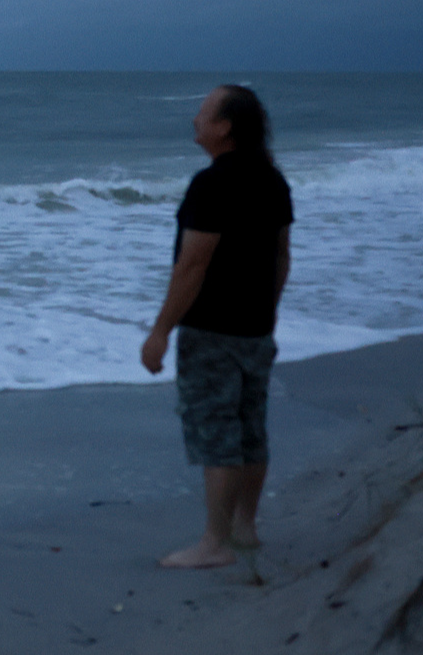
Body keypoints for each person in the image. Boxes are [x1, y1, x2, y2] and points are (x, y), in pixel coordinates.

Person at [139, 84, 294, 569]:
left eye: (203, 113)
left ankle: (214, 543)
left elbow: (193, 265)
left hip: (212, 330)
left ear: (225, 127)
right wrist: (266, 313)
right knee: (251, 429)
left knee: (218, 433)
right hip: (255, 328)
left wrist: (161, 330)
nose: (195, 121)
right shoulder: (272, 180)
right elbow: (281, 257)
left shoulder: (212, 184)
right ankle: (245, 527)